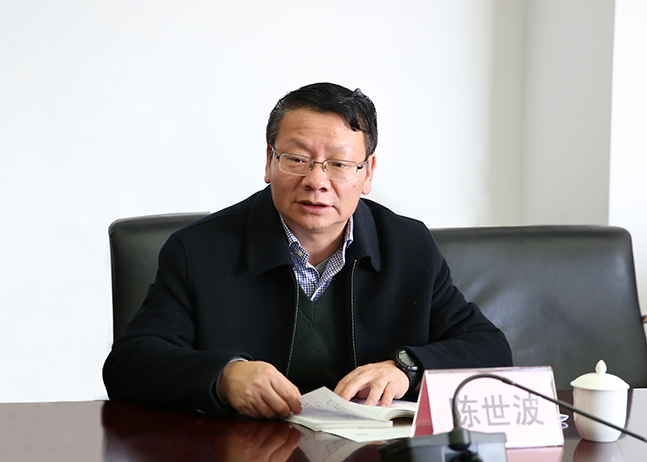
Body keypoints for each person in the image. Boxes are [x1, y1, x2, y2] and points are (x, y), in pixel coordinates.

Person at [103, 82, 512, 419]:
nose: (317, 180)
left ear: (367, 173)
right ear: (269, 162)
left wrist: (407, 369)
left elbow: (489, 348)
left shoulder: (408, 245)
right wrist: (224, 376)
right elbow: (129, 363)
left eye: (339, 163)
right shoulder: (199, 250)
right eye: (297, 159)